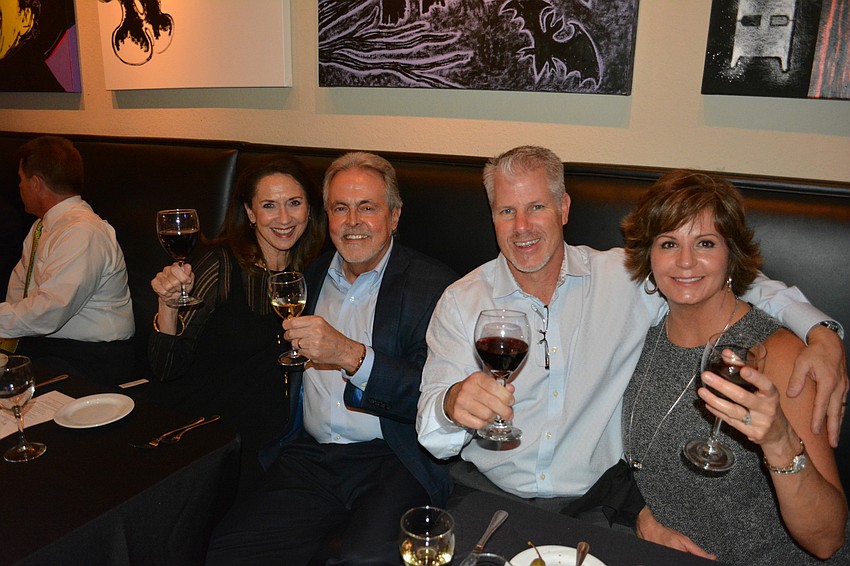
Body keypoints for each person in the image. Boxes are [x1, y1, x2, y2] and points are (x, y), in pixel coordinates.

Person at [417, 146, 847, 520]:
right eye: (506, 211)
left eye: (536, 207)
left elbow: (726, 276)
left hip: (598, 503)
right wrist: (452, 406)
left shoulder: (624, 277)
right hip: (485, 490)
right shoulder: (461, 302)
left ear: (563, 208)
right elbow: (432, 436)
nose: (522, 227)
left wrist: (820, 330)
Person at [206, 152, 458, 564]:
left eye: (367, 208)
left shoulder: (435, 287)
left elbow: (438, 397)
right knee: (230, 549)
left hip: (392, 458)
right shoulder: (309, 277)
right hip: (311, 457)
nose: (352, 221)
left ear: (394, 216)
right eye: (340, 208)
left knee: (363, 559)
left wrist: (352, 356)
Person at [620, 170, 849, 563]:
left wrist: (778, 440)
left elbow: (828, 539)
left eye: (705, 243)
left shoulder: (777, 356)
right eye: (669, 243)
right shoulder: (638, 337)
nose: (686, 261)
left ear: (732, 256)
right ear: (649, 257)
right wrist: (643, 517)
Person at [148, 154, 326, 493]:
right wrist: (167, 308)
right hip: (213, 431)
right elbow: (166, 370)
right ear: (250, 214)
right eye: (269, 205)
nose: (284, 218)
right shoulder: (220, 266)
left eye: (294, 203)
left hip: (277, 430)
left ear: (309, 209)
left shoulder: (317, 269)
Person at [0, 136, 134, 384]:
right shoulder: (41, 227)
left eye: (21, 180)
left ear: (36, 184)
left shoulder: (83, 232)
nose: (19, 187)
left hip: (91, 357)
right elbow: (19, 293)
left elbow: (51, 311)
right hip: (48, 347)